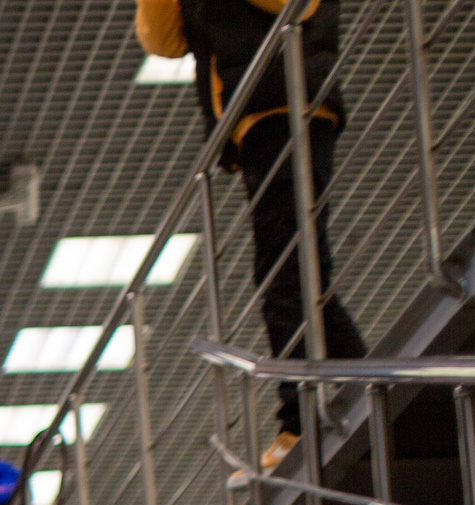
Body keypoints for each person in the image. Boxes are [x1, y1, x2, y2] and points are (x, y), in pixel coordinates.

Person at [136, 0, 366, 476]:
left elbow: (295, 6)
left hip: (291, 103)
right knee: (295, 273)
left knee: (286, 273)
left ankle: (301, 423)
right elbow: (165, 40)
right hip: (255, 120)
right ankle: (358, 383)